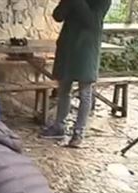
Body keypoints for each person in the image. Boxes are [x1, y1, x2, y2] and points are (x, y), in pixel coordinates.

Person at [40, 0, 112, 148]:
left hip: (87, 48)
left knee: (85, 93)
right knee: (63, 90)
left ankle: (78, 133)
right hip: (68, 46)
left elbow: (92, 21)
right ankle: (59, 126)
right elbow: (58, 16)